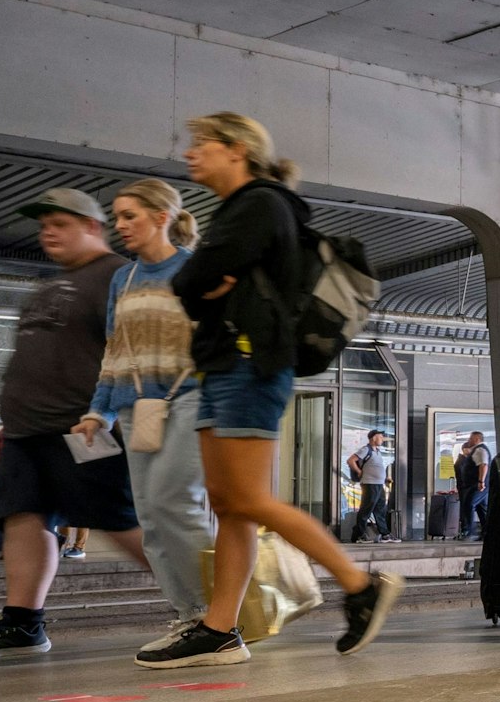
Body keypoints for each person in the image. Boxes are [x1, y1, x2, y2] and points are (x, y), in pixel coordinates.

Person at [135, 112, 400, 668]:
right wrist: (206, 286)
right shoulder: (242, 210)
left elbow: (188, 280)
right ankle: (219, 628)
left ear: (236, 150)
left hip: (249, 367)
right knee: (229, 504)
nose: (190, 154)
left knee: (249, 499)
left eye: (201, 144)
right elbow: (195, 284)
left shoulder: (260, 204)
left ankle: (360, 585)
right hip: (225, 365)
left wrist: (206, 286)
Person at [0, 188, 151, 657]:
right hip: (25, 433)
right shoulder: (51, 284)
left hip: (82, 429)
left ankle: (213, 606)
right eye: (44, 225)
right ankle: (23, 622)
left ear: (92, 228)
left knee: (118, 520)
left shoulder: (117, 277)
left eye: (60, 223)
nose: (48, 233)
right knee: (22, 515)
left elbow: (139, 349)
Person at [74, 178, 217, 641]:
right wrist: (101, 412)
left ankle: (222, 612)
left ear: (161, 218)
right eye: (116, 217)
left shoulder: (195, 270)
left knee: (177, 502)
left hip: (191, 397)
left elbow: (216, 343)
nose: (120, 226)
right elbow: (116, 352)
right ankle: (189, 615)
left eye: (129, 216)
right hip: (138, 407)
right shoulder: (125, 278)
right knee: (151, 516)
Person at [347, 430, 395, 543]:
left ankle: (385, 534)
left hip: (379, 484)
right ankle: (359, 535)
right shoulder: (366, 449)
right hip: (369, 484)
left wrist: (384, 479)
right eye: (380, 437)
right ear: (373, 438)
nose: (382, 439)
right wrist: (359, 471)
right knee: (366, 509)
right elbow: (351, 460)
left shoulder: (378, 452)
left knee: (380, 510)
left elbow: (375, 468)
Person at [454, 431, 491, 540]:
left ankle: (469, 531)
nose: (469, 440)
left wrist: (481, 482)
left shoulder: (480, 450)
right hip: (477, 485)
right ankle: (486, 532)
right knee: (482, 508)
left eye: (471, 438)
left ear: (477, 439)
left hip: (476, 485)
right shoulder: (477, 450)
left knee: (469, 504)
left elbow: (483, 465)